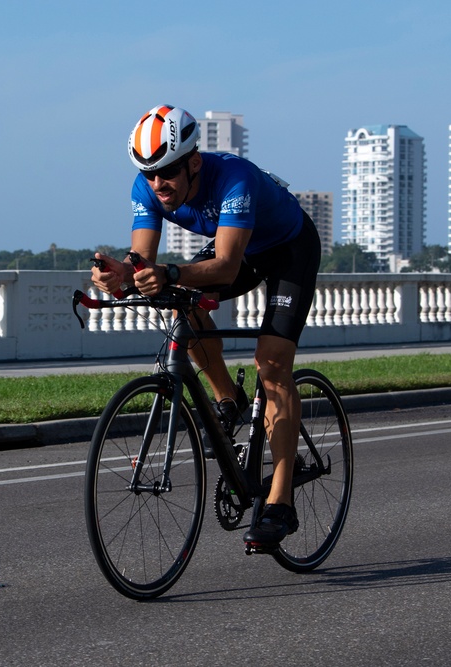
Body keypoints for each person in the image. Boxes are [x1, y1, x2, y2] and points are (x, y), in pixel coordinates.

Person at [91, 104, 321, 549]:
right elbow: (143, 256)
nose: (159, 184)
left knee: (271, 364)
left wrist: (173, 273)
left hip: (288, 249)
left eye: (168, 173)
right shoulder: (147, 187)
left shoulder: (235, 177)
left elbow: (228, 264)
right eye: (149, 173)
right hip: (239, 249)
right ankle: (227, 398)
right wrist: (122, 272)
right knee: (184, 308)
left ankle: (280, 500)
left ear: (194, 162)